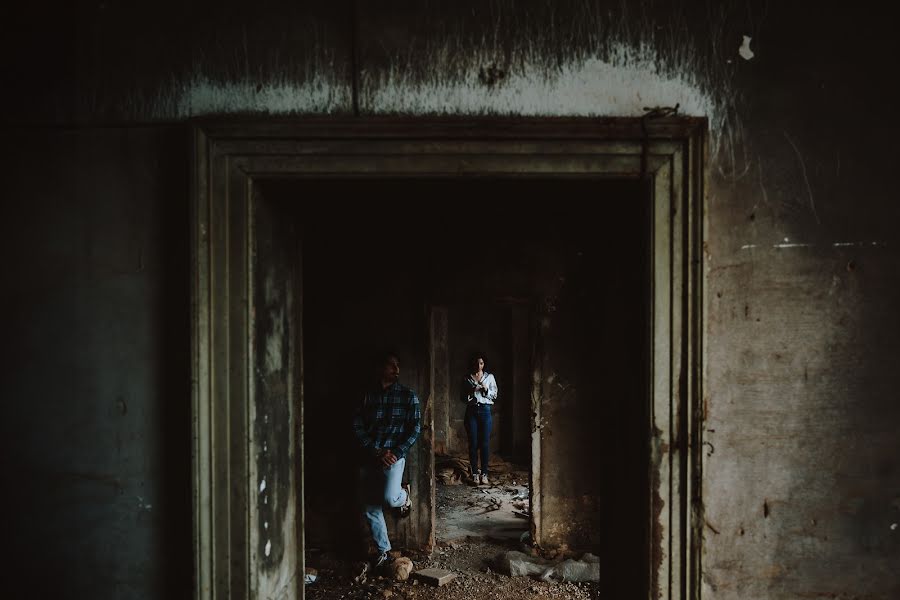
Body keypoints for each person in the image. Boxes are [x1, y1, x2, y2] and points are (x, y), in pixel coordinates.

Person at [352, 351, 421, 570]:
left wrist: (396, 452)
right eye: (392, 365)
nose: (397, 370)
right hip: (370, 456)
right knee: (370, 507)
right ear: (379, 368)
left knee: (390, 498)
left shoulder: (408, 396)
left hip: (395, 457)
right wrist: (375, 451)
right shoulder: (366, 396)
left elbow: (415, 429)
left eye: (398, 366)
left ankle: (405, 496)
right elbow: (357, 425)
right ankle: (383, 552)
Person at [462, 353, 498, 486]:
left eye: (481, 363)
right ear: (472, 364)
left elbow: (494, 395)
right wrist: (472, 390)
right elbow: (462, 397)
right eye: (476, 363)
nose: (479, 366)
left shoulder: (490, 377)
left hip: (485, 410)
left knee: (484, 443)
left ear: (484, 364)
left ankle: (484, 474)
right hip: (471, 412)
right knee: (473, 443)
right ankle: (475, 474)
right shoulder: (466, 378)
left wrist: (486, 390)